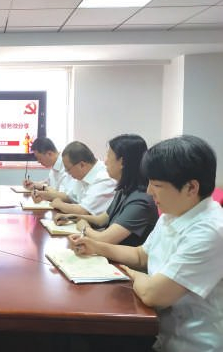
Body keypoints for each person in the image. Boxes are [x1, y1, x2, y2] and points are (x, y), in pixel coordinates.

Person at [69, 135, 223, 351]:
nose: (149, 191)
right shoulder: (173, 213)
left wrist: (131, 274)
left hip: (188, 344)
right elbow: (142, 255)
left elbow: (153, 294)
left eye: (157, 185)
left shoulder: (210, 231)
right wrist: (96, 247)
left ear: (191, 187)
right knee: (77, 335)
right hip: (157, 330)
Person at [54, 134, 158, 246]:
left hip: (118, 256)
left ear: (122, 162)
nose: (105, 162)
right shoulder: (124, 189)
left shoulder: (141, 200)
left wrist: (84, 228)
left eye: (109, 156)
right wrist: (73, 217)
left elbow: (105, 239)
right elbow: (102, 220)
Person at [37, 141, 116, 216]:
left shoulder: (104, 178)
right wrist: (43, 195)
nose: (67, 173)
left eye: (68, 169)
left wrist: (60, 204)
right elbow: (70, 197)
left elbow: (84, 210)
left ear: (82, 165)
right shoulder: (83, 174)